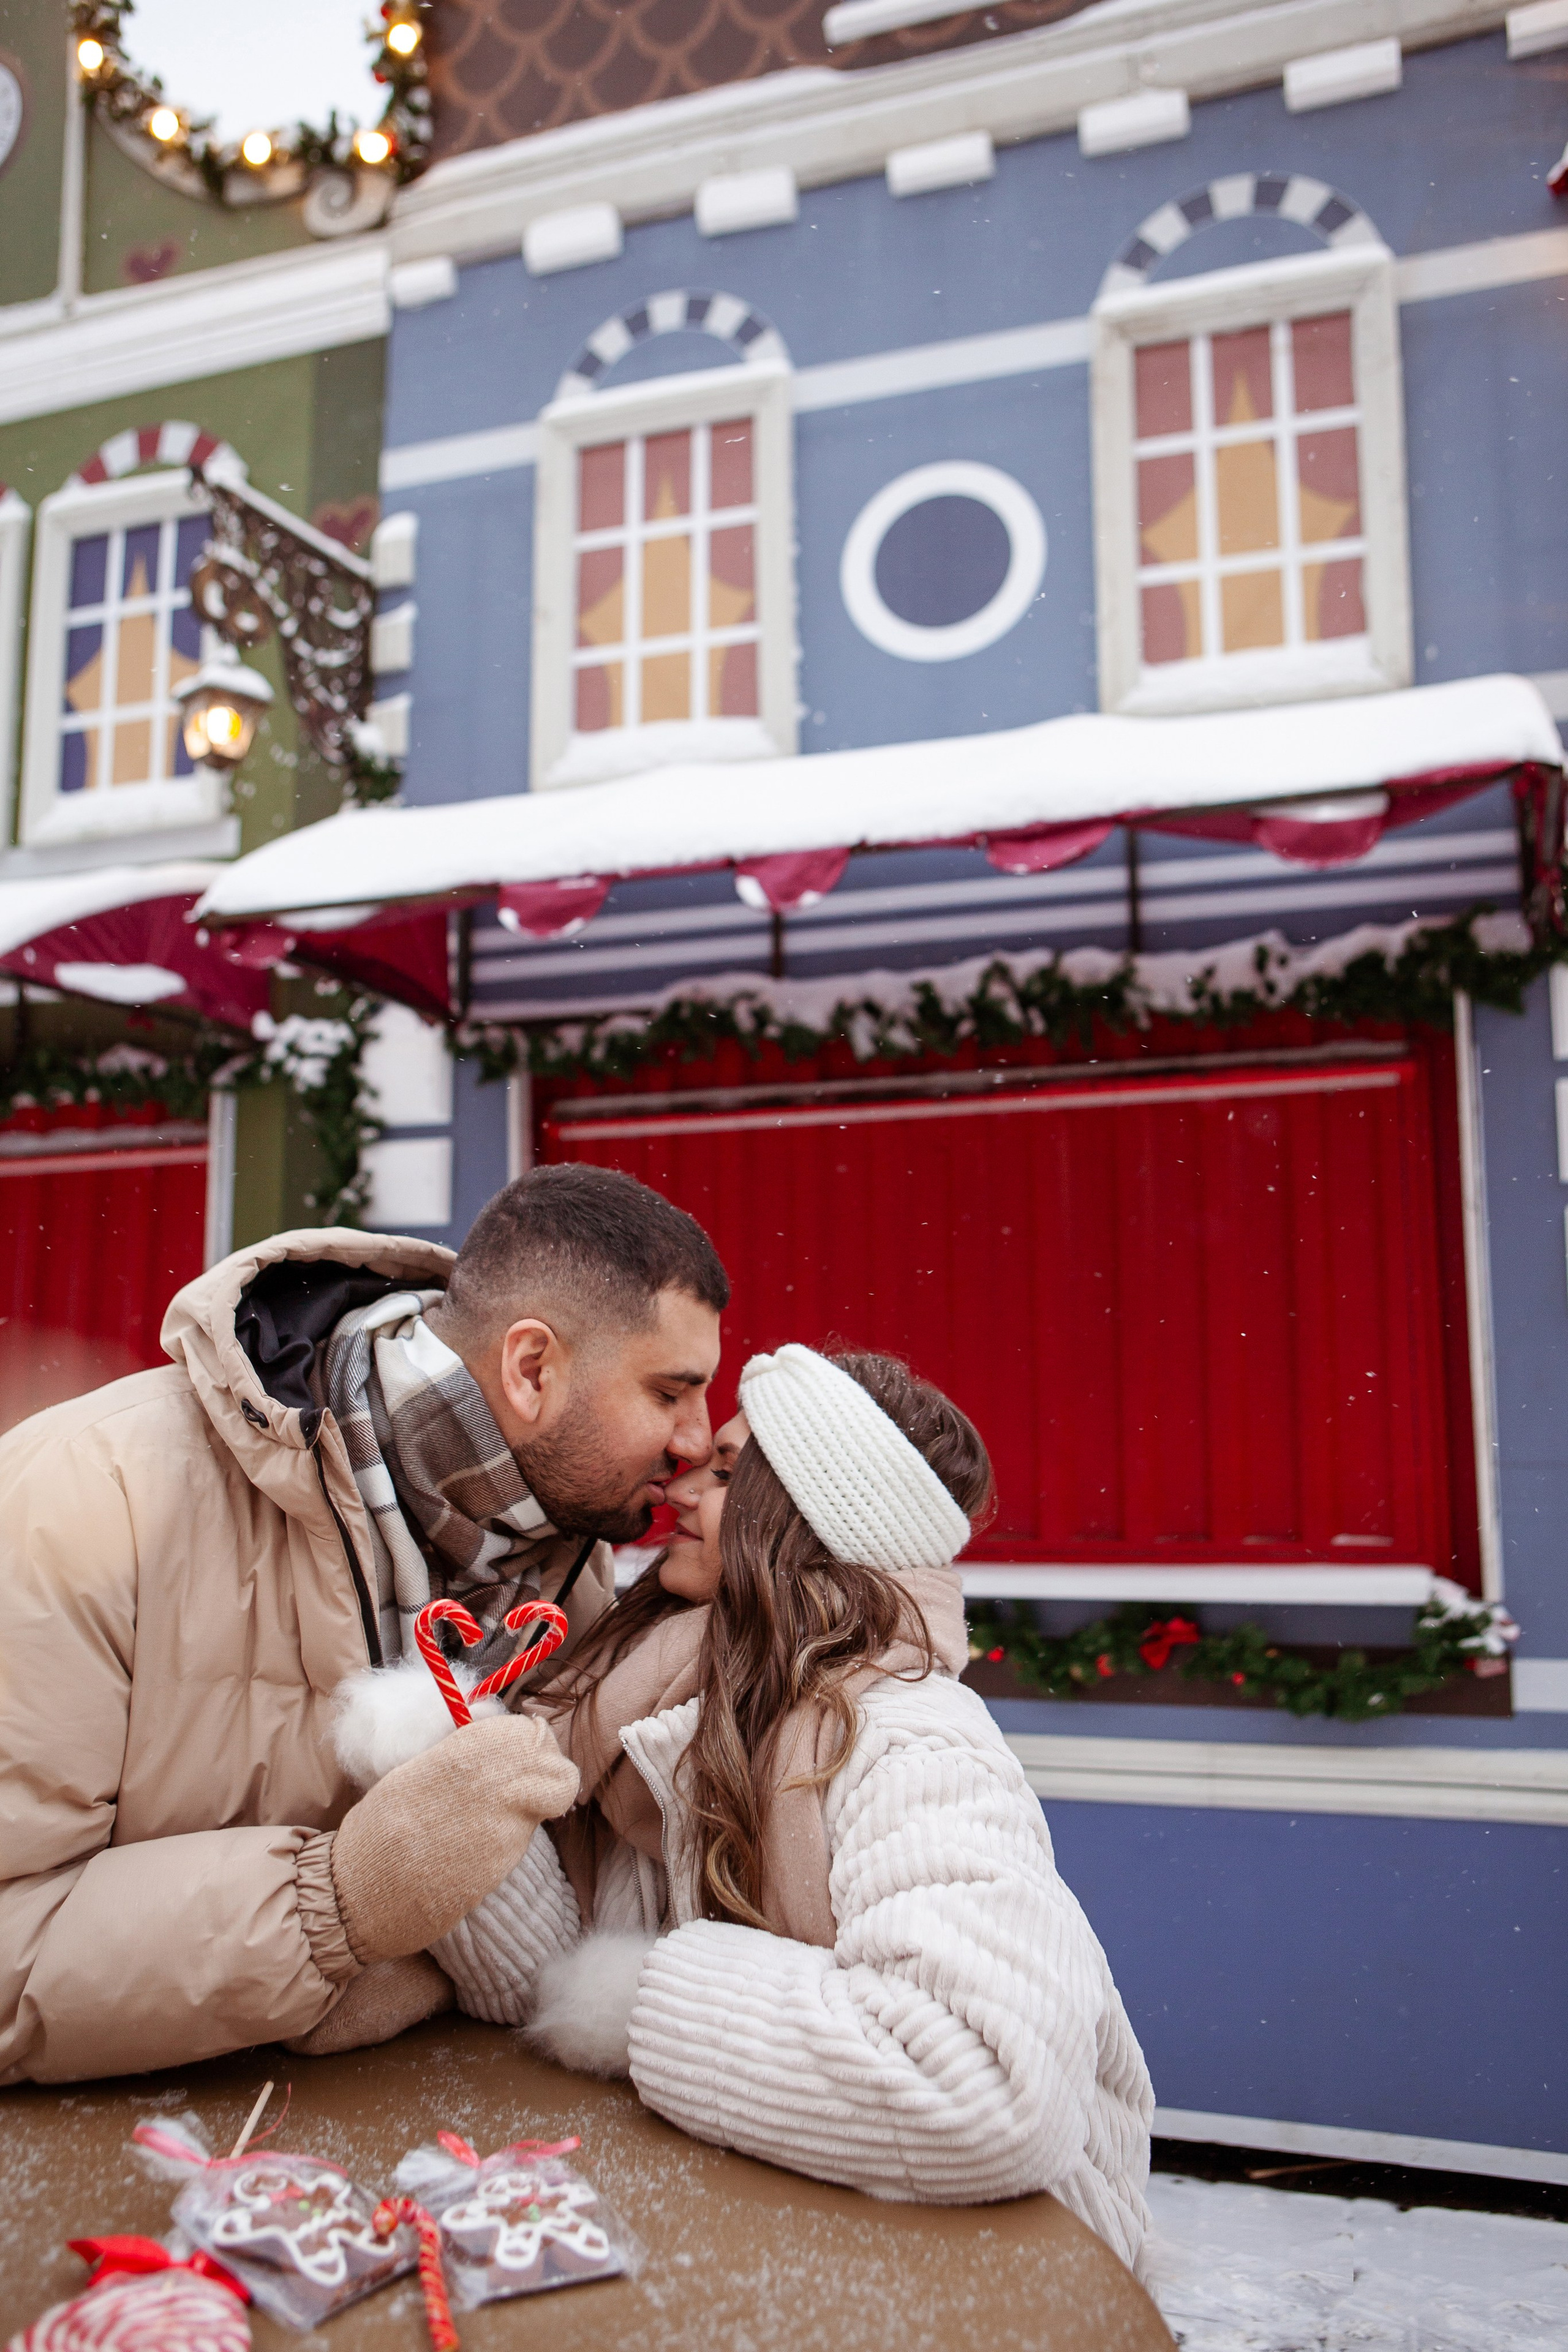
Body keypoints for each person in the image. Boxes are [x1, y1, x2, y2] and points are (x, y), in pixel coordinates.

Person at [431, 1346, 1154, 2275]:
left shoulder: (916, 1742)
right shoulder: (660, 1709)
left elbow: (984, 2092)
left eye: (727, 1473)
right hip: (799, 2238)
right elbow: (537, 1986)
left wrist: (637, 2004)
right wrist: (441, 1780)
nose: (679, 1491)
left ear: (811, 1518)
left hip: (1005, 2282)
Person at [0, 1164, 727, 2086]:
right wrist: (337, 1912)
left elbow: (545, 1925)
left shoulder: (569, 1573)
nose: (698, 1441)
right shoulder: (85, 1501)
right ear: (532, 1368)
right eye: (670, 1393)